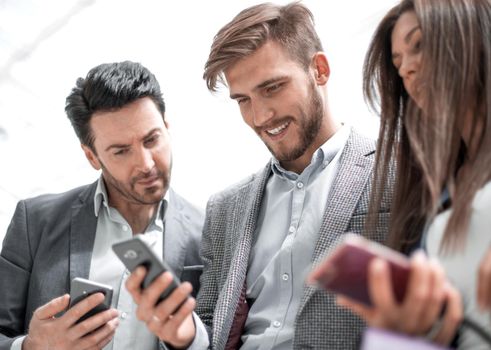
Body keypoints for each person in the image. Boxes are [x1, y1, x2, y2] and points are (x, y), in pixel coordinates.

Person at [126, 2, 392, 349]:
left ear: (320, 70)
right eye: (243, 100)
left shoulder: (400, 169)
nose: (260, 115)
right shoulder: (225, 209)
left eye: (272, 88)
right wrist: (184, 335)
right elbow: (207, 328)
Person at [0, 61, 204, 350]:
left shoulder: (209, 234)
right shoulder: (35, 223)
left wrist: (188, 338)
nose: (146, 164)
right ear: (92, 157)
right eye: (121, 151)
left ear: (167, 128)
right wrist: (30, 347)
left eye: (152, 139)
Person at [337, 0, 491, 348]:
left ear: (472, 37)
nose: (405, 69)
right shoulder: (434, 192)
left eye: (418, 45)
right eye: (397, 62)